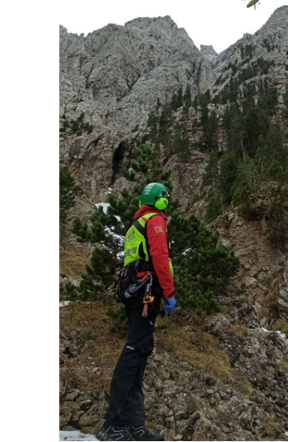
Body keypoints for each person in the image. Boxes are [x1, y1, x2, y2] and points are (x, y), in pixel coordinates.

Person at [97, 183, 176, 442]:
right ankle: (113, 424)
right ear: (157, 200)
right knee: (134, 353)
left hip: (137, 291)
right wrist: (170, 292)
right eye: (165, 197)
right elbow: (160, 257)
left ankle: (132, 425)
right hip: (146, 293)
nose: (167, 200)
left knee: (139, 354)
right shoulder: (154, 220)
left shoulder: (137, 222)